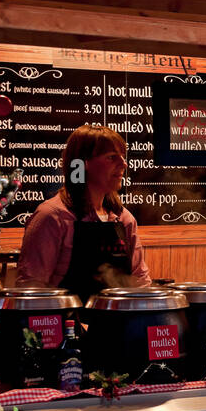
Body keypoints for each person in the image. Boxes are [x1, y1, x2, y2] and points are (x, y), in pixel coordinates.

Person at [17, 124, 151, 301]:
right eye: (112, 157)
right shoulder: (52, 216)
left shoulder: (124, 218)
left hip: (118, 324)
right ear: (82, 164)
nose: (123, 164)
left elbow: (140, 280)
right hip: (69, 325)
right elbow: (31, 287)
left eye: (123, 157)